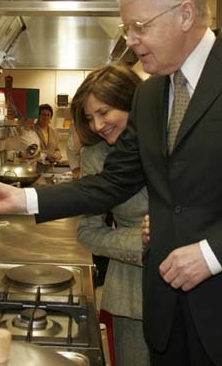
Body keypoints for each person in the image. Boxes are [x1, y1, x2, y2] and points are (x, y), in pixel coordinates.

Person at [0, 0, 222, 366]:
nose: (131, 40)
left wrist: (214, 252)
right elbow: (114, 181)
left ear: (185, 14)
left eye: (140, 26)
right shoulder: (150, 95)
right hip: (163, 308)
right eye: (126, 29)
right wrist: (24, 200)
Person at [72, 65, 149, 366]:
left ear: (130, 101)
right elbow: (87, 232)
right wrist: (144, 243)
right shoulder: (95, 156)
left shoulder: (171, 140)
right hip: (133, 295)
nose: (97, 125)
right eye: (90, 118)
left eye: (103, 112)